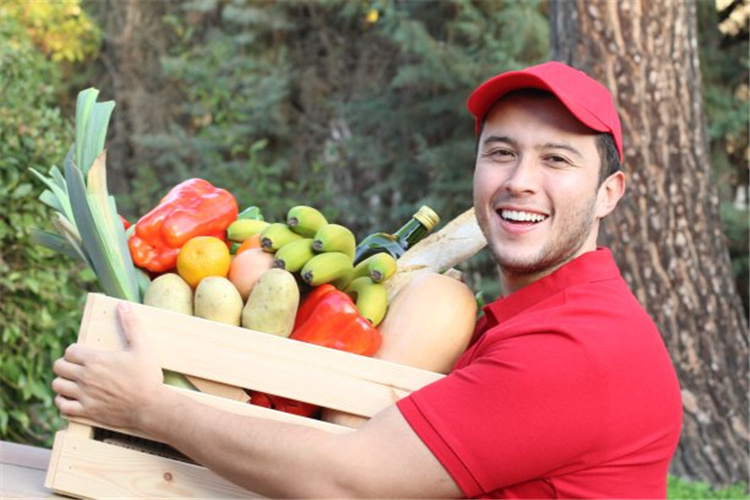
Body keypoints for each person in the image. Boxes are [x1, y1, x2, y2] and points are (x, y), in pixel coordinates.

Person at [52, 61, 683, 499]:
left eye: (557, 158)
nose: (520, 178)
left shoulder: (580, 348)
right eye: (501, 151)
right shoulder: (541, 318)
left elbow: (348, 480)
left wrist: (151, 408)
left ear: (609, 193)